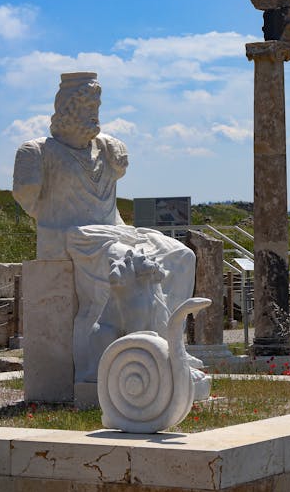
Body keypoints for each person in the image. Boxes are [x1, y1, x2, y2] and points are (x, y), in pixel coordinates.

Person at [13, 72, 196, 382]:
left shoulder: (108, 148)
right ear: (66, 109)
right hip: (72, 235)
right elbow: (29, 200)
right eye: (86, 106)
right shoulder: (36, 151)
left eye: (96, 106)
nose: (94, 114)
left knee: (180, 255)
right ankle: (135, 353)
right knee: (132, 265)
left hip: (114, 230)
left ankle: (169, 341)